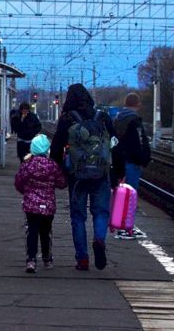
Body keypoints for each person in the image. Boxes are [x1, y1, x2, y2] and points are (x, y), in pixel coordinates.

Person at [50, 83, 117, 271]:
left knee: (78, 216)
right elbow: (115, 144)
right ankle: (99, 239)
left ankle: (82, 259)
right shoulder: (102, 117)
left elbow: (56, 148)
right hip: (101, 173)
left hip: (76, 175)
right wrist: (117, 172)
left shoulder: (67, 119)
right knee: (101, 212)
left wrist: (59, 171)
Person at [15, 134, 67, 273]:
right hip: (48, 206)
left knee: (32, 231)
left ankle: (31, 260)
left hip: (31, 205)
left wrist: (26, 192)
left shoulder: (27, 165)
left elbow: (19, 182)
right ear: (47, 149)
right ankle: (47, 258)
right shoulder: (53, 166)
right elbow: (62, 183)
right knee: (46, 231)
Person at [112, 92, 151, 239]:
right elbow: (139, 142)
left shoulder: (117, 119)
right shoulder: (135, 121)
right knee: (130, 196)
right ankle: (126, 229)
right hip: (132, 162)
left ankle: (121, 226)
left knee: (121, 195)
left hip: (119, 162)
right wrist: (143, 159)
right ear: (137, 104)